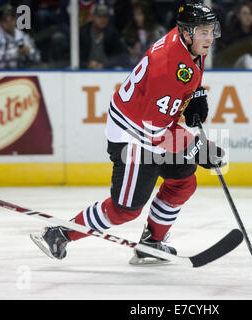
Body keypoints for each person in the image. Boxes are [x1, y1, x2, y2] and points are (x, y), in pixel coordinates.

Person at [31, 2, 226, 265]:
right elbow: (154, 130)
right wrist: (196, 147)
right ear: (187, 33)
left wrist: (196, 93)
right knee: (125, 209)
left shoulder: (188, 44)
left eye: (211, 30)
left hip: (149, 125)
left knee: (183, 182)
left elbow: (186, 78)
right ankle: (60, 233)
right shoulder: (168, 67)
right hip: (132, 135)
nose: (210, 37)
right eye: (204, 32)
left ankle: (151, 244)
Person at [0, 4, 40, 69]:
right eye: (4, 20)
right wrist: (15, 53)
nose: (9, 22)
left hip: (17, 72)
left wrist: (29, 52)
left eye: (12, 19)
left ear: (15, 20)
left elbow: (37, 56)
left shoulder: (22, 35)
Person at [79, 2, 124, 69]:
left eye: (105, 16)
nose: (103, 20)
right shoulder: (82, 33)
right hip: (84, 72)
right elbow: (72, 59)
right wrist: (87, 64)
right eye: (99, 16)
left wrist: (105, 65)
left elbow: (120, 58)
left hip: (107, 72)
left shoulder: (112, 33)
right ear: (92, 17)